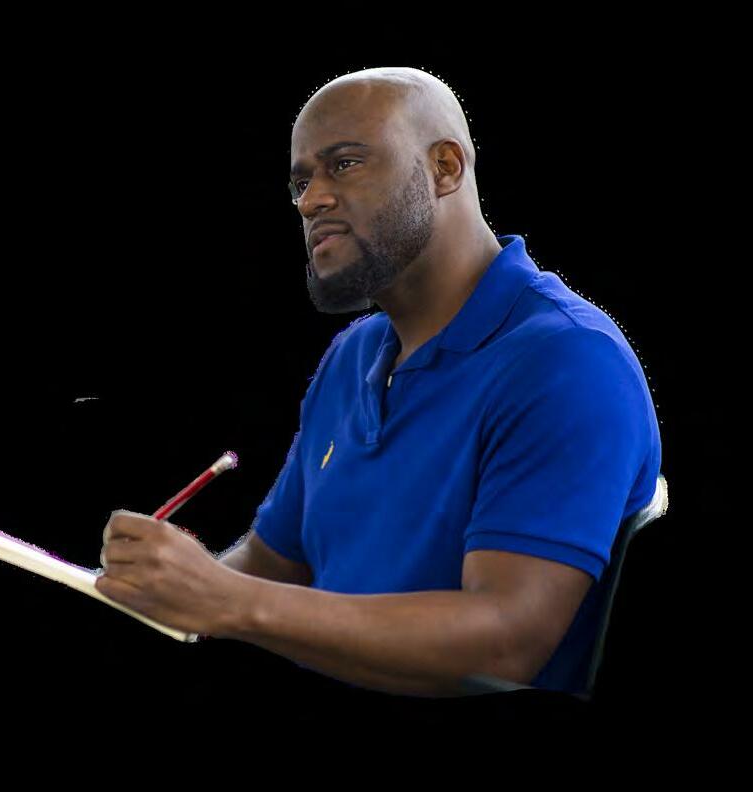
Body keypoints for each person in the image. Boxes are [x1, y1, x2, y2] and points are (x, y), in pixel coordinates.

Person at [96, 66, 662, 697]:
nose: (310, 201)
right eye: (301, 182)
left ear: (445, 168)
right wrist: (172, 589)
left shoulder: (567, 362)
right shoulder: (354, 354)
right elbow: (276, 562)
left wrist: (229, 599)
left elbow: (506, 643)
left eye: (343, 165)